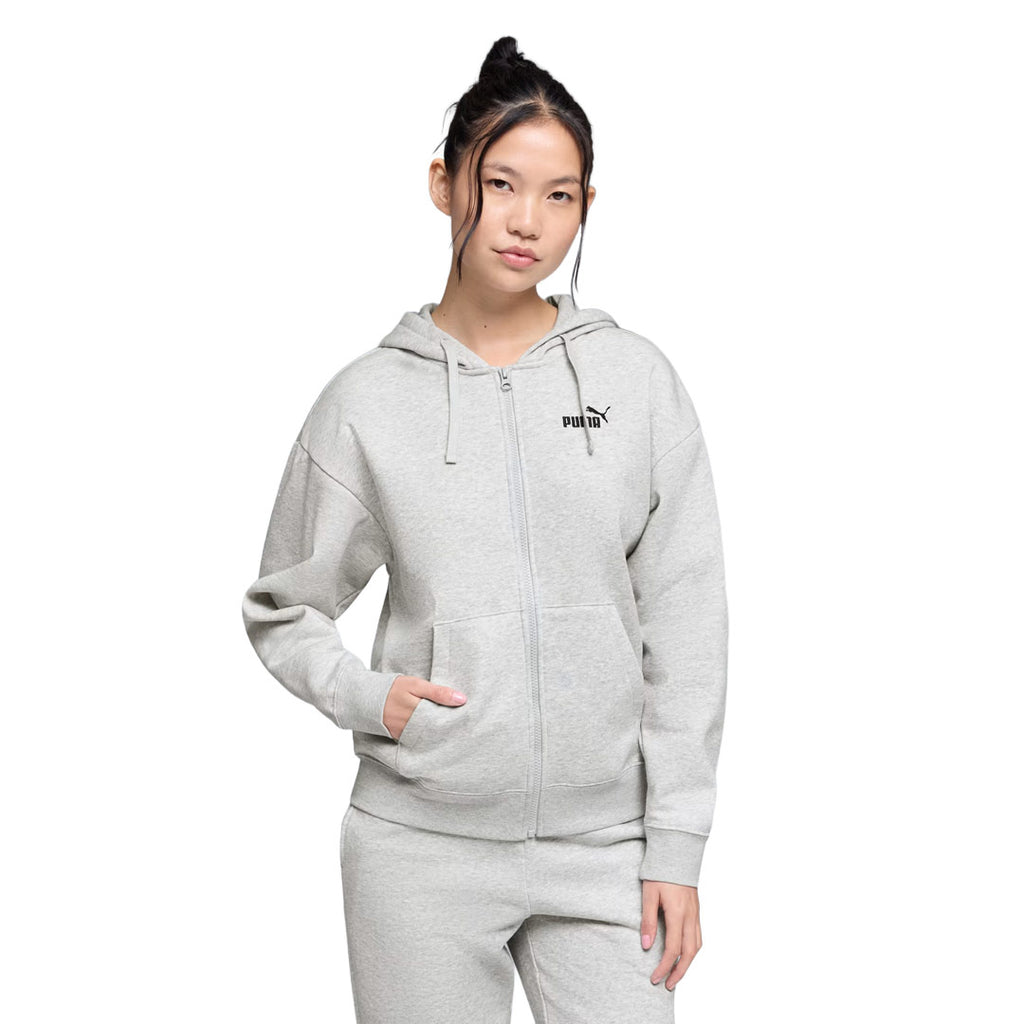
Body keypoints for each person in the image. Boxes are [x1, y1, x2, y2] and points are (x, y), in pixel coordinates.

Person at [242, 35, 729, 1024]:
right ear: (444, 183)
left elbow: (687, 624)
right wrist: (372, 699)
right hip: (418, 848)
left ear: (586, 206)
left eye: (559, 195)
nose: (526, 221)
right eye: (500, 183)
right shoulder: (367, 402)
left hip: (606, 849)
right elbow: (283, 606)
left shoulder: (635, 384)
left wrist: (675, 848)